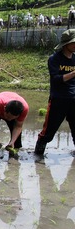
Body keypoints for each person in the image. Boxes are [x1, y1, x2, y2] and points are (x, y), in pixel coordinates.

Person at [35, 29, 75, 157]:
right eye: (73, 42)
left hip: (73, 99)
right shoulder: (54, 59)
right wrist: (73, 73)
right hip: (58, 99)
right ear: (66, 44)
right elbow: (56, 79)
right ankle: (38, 157)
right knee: (48, 132)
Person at [0, 91, 29, 160]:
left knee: (16, 140)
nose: (9, 120)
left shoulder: (24, 109)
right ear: (4, 109)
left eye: (12, 118)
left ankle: (12, 157)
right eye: (8, 117)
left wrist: (12, 141)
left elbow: (18, 127)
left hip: (12, 110)